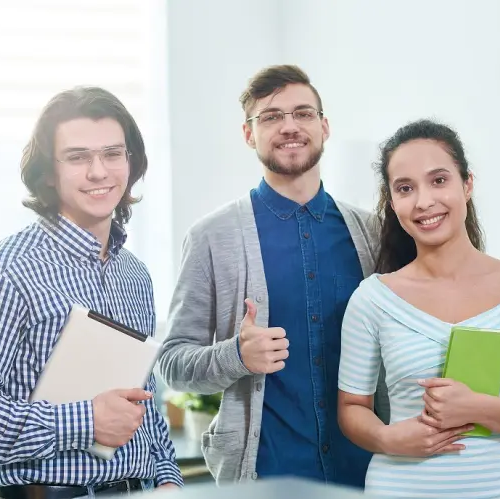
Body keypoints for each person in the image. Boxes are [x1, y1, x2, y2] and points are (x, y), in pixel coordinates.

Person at [0, 86, 183, 498]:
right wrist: (84, 421)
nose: (99, 171)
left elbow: (142, 399)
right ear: (48, 172)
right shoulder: (3, 272)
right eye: (78, 157)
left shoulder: (134, 275)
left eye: (112, 154)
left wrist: (166, 474)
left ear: (130, 161)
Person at [157, 64, 389, 488]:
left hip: (368, 474)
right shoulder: (213, 237)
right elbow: (172, 363)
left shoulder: (372, 233)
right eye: (270, 117)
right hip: (265, 478)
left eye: (303, 113)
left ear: (324, 126)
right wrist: (237, 357)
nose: (289, 127)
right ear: (249, 134)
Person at [337, 119, 500, 498]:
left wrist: (475, 407)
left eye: (439, 180)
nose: (424, 201)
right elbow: (352, 408)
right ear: (392, 201)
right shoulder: (372, 299)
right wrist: (386, 437)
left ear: (467, 184)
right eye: (405, 188)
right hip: (396, 489)